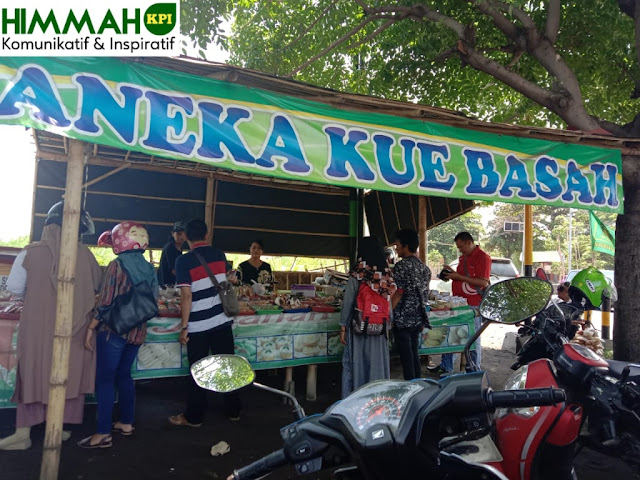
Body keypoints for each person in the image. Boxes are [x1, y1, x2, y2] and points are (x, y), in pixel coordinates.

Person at [0, 201, 102, 451]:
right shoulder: (86, 255)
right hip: (76, 330)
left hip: (37, 329)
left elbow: (13, 288)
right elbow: (98, 286)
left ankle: (23, 434)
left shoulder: (30, 252)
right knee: (69, 373)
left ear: (47, 226)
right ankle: (60, 429)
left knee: (34, 371)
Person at [78, 222, 159, 449]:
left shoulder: (117, 265)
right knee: (124, 375)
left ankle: (103, 432)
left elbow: (105, 302)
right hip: (138, 332)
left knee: (105, 380)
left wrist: (90, 327)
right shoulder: (150, 268)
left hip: (113, 331)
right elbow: (154, 299)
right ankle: (126, 422)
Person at [169, 219, 240, 427]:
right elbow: (226, 278)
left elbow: (186, 296)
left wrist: (183, 328)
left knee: (198, 371)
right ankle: (233, 411)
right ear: (207, 235)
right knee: (228, 367)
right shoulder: (219, 254)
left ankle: (195, 416)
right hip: (222, 321)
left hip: (198, 326)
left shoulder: (183, 261)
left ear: (186, 237)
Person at [340, 237, 393, 397]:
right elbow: (388, 301)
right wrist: (388, 324)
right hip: (380, 327)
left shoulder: (359, 271)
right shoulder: (387, 272)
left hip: (360, 325)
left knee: (354, 364)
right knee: (378, 363)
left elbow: (349, 298)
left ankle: (353, 400)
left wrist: (343, 324)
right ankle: (378, 398)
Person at [431, 231, 491, 374]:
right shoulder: (463, 258)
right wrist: (452, 273)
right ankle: (446, 366)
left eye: (461, 247)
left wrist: (458, 276)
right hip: (458, 302)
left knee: (472, 338)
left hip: (473, 304)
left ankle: (474, 370)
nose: (460, 250)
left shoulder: (483, 258)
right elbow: (462, 277)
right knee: (451, 333)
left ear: (469, 242)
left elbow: (483, 282)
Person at [390, 229, 431, 380]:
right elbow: (424, 295)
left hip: (402, 319)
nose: (396, 248)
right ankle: (418, 385)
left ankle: (410, 387)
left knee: (406, 357)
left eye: (397, 245)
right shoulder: (424, 269)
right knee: (414, 354)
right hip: (418, 318)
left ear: (405, 246)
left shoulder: (401, 267)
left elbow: (398, 293)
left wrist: (388, 311)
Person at [157, 221, 186, 286]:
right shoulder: (170, 248)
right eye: (178, 234)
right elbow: (173, 270)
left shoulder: (179, 246)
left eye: (183, 234)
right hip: (166, 284)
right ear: (173, 234)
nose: (181, 237)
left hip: (172, 282)